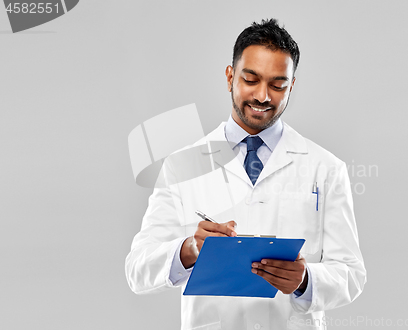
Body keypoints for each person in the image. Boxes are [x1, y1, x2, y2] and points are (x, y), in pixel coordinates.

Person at [125, 18, 366, 330]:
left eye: (278, 85)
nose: (263, 96)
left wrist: (306, 280)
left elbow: (351, 273)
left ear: (291, 86)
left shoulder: (325, 168)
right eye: (251, 80)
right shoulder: (182, 166)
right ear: (230, 76)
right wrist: (191, 249)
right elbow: (137, 269)